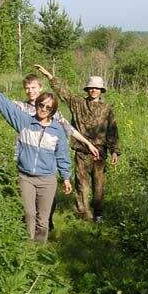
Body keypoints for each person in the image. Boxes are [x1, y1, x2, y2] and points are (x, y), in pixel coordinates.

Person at [0, 72, 72, 242]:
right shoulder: (25, 122)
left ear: (53, 110)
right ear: (37, 105)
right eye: (41, 105)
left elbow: (62, 154)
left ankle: (39, 252)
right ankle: (28, 250)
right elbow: (6, 105)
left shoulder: (57, 130)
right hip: (26, 177)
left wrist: (66, 178)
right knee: (29, 215)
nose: (43, 109)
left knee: (43, 220)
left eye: (48, 107)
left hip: (47, 180)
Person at [14, 73, 100, 231]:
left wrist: (88, 143)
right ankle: (32, 233)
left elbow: (69, 129)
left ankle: (45, 224)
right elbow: (6, 106)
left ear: (40, 88)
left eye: (33, 88)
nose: (30, 91)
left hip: (48, 162)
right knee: (29, 205)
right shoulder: (21, 108)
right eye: (27, 88)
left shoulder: (53, 111)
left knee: (49, 201)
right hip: (28, 160)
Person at [34, 64, 119, 223]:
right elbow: (63, 92)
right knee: (82, 185)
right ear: (87, 89)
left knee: (99, 186)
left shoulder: (107, 108)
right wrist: (48, 75)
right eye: (91, 88)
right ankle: (84, 215)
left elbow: (112, 130)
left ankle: (98, 214)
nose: (94, 90)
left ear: (101, 91)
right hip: (82, 152)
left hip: (100, 153)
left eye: (97, 88)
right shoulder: (78, 103)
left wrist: (114, 150)